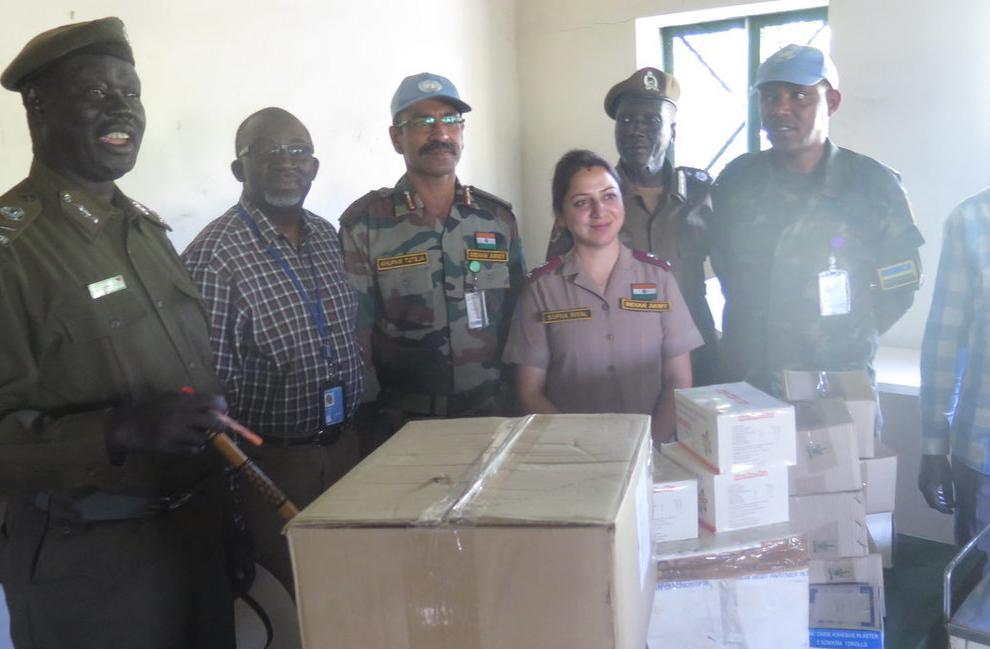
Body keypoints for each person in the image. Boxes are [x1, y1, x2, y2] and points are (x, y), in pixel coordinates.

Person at [0, 18, 236, 649]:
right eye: (96, 92)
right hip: (95, 577)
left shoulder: (147, 232)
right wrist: (121, 429)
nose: (122, 108)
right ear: (38, 106)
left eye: (131, 93)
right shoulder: (14, 252)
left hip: (195, 542)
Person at [183, 107, 363, 595]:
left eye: (298, 151)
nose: (286, 162)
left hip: (347, 453)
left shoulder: (327, 237)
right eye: (268, 151)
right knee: (296, 603)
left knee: (355, 594)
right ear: (238, 168)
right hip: (272, 471)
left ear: (314, 167)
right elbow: (209, 402)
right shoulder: (214, 257)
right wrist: (232, 507)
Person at [709, 45, 923, 395]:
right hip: (749, 377)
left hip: (836, 379)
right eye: (769, 97)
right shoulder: (737, 181)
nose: (780, 109)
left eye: (799, 96)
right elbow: (725, 267)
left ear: (832, 102)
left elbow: (900, 285)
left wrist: (842, 336)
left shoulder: (873, 185)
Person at [339, 72, 525, 447]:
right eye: (422, 122)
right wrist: (365, 422)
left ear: (462, 131)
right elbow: (354, 332)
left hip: (491, 416)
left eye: (450, 120)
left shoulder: (496, 219)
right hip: (403, 427)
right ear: (397, 138)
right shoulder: (366, 224)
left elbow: (520, 317)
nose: (440, 133)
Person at [504, 150, 701, 445]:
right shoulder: (541, 289)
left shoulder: (659, 278)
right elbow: (529, 392)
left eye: (609, 196)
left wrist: (649, 446)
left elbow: (679, 379)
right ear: (561, 217)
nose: (599, 211)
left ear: (623, 203)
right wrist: (582, 449)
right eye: (582, 202)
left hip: (651, 448)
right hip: (571, 453)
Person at [546, 68, 717, 385]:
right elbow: (557, 285)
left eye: (651, 121)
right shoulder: (592, 200)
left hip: (695, 356)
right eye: (626, 120)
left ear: (673, 131)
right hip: (616, 361)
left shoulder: (701, 193)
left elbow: (734, 272)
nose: (636, 131)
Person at [919, 190, 990, 561]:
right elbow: (945, 342)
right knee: (977, 589)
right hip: (984, 457)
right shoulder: (974, 220)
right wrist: (934, 447)